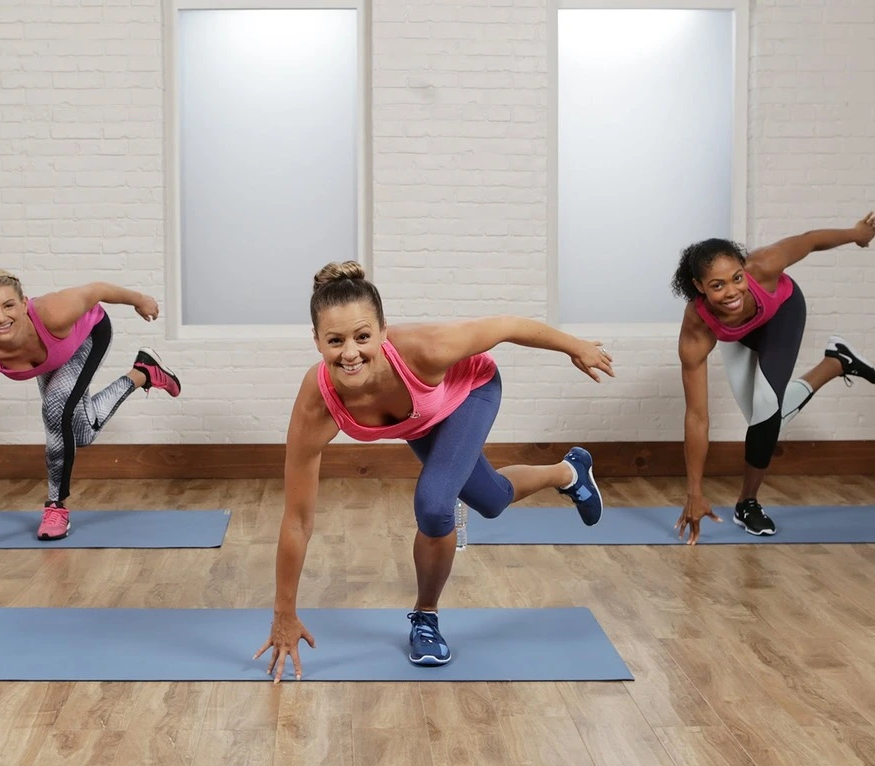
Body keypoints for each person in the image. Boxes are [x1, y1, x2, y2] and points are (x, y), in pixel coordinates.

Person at [254, 261, 615, 681]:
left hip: (471, 392)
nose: (350, 353)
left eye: (363, 336)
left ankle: (425, 617)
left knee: (434, 503)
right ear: (317, 341)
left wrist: (576, 346)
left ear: (384, 332)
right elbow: (297, 520)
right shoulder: (315, 405)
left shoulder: (426, 348)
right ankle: (569, 472)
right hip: (422, 418)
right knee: (493, 500)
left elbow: (507, 325)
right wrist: (284, 614)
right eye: (335, 341)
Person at [672, 213, 875, 544]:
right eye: (717, 285)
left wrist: (857, 233)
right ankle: (835, 363)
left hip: (781, 315)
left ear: (745, 269)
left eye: (736, 278)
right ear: (699, 287)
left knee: (766, 413)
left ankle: (747, 503)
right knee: (764, 424)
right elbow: (697, 417)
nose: (731, 292)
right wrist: (694, 492)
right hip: (739, 336)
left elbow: (811, 238)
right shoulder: (697, 326)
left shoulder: (765, 266)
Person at [0, 269, 181, 547]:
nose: (1, 318)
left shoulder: (54, 312)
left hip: (88, 334)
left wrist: (140, 299)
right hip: (53, 358)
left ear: (24, 303)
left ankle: (56, 507)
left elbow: (97, 289)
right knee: (81, 434)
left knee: (55, 411)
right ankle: (143, 373)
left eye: (9, 306)